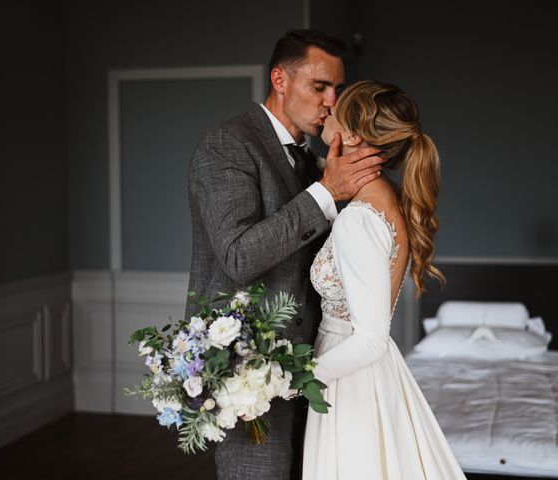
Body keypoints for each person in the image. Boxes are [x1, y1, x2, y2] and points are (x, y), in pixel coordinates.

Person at [184, 30, 383, 479]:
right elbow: (237, 255)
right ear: (279, 79)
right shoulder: (227, 145)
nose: (332, 102)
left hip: (314, 369)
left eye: (337, 89)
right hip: (248, 375)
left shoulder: (312, 157)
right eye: (320, 87)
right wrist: (326, 192)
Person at [303, 80, 467, 479]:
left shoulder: (361, 216)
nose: (327, 107)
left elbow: (371, 338)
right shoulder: (385, 197)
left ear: (354, 134)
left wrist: (295, 378)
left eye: (337, 105)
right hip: (358, 371)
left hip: (349, 378)